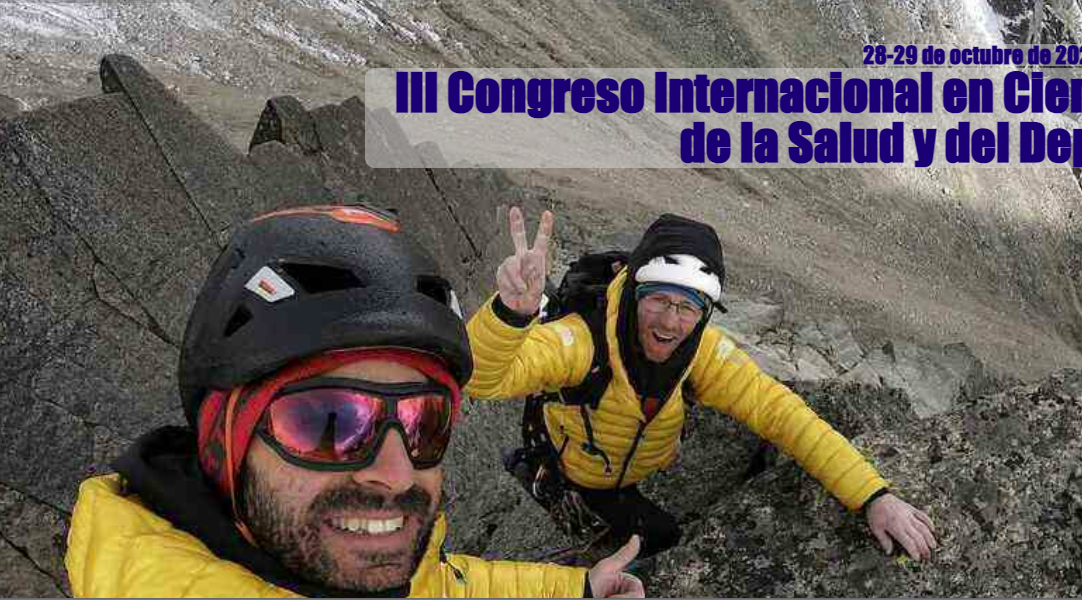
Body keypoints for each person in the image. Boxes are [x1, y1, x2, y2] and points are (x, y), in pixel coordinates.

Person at [64, 205, 645, 598]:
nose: (395, 474)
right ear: (223, 440)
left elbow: (443, 584)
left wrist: (577, 587)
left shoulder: (328, 556)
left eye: (425, 425)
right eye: (328, 422)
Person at [467, 208, 939, 561]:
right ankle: (536, 476)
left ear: (705, 312)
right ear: (634, 293)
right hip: (581, 473)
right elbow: (482, 380)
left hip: (635, 459)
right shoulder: (582, 343)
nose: (671, 322)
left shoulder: (704, 353)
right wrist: (511, 313)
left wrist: (874, 496)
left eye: (688, 306)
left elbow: (783, 415)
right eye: (659, 300)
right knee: (660, 539)